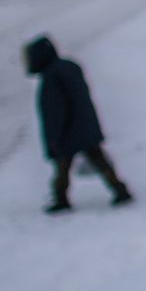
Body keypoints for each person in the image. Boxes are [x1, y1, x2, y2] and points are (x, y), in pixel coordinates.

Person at [24, 35, 132, 213]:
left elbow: (55, 111)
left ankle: (61, 198)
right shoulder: (68, 67)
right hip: (85, 125)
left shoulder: (51, 77)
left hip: (68, 131)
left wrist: (54, 137)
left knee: (63, 165)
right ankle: (119, 189)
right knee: (98, 160)